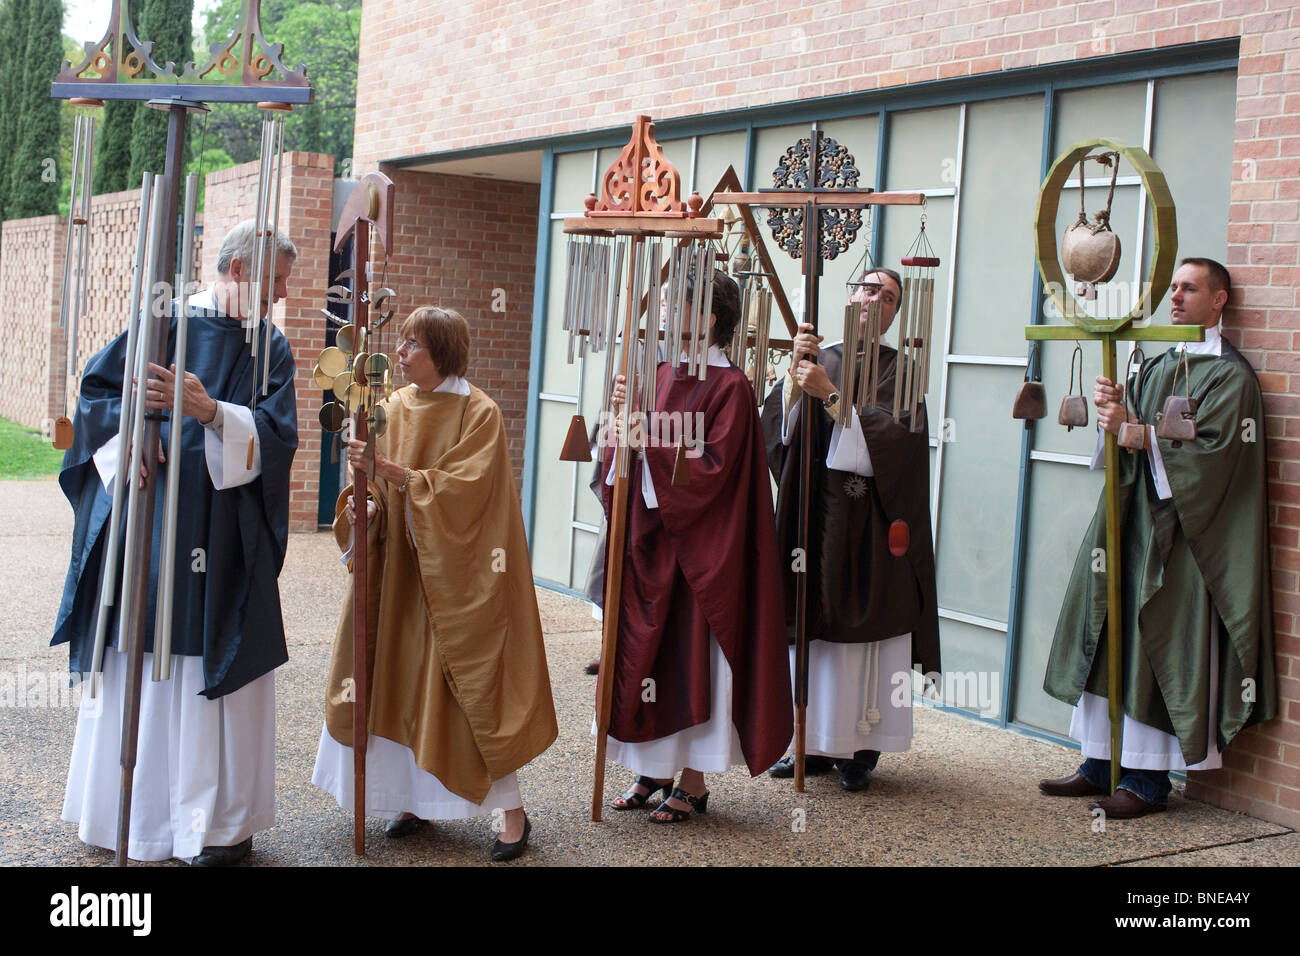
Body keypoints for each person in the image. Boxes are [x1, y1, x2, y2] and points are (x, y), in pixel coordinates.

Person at [54, 220, 299, 865]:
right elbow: (96, 399)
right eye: (274, 281)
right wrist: (129, 432)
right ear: (239, 270)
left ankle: (217, 826)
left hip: (221, 540)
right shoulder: (160, 324)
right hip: (152, 533)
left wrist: (213, 412)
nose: (279, 296)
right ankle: (134, 815)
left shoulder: (269, 348)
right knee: (146, 651)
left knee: (210, 653)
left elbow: (279, 438)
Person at [311, 306, 557, 860]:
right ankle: (409, 799)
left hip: (456, 582)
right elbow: (371, 488)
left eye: (411, 344)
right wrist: (366, 507)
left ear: (442, 351)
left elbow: (470, 496)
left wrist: (393, 474)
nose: (398, 354)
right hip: (396, 570)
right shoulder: (391, 407)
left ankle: (513, 813)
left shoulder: (480, 413)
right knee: (392, 678)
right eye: (399, 343)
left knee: (463, 687)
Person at [1039, 258, 1277, 819]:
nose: (1175, 296)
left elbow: (1215, 462)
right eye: (1172, 287)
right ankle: (1100, 761)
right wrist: (1113, 415)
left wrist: (1136, 431)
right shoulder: (1158, 362)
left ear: (1219, 301)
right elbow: (1124, 444)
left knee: (1154, 642)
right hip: (1131, 520)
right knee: (1108, 632)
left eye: (1189, 288)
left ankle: (1146, 781)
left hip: (1185, 535)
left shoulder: (1231, 378)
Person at [599, 267, 792, 823]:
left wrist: (646, 437)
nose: (660, 313)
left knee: (695, 661)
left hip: (704, 552)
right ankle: (652, 769)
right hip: (650, 541)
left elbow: (714, 471)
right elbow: (622, 458)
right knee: (649, 656)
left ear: (706, 319)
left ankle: (694, 780)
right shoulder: (656, 371)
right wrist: (618, 428)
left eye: (670, 304)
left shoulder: (731, 388)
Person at [760, 268, 940, 791]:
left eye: (886, 296)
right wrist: (796, 381)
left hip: (869, 521)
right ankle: (812, 742)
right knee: (813, 626)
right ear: (850, 296)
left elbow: (896, 441)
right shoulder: (822, 355)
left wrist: (831, 395)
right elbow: (781, 432)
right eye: (865, 288)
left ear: (893, 312)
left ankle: (861, 748)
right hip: (813, 517)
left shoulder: (900, 369)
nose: (871, 299)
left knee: (864, 632)